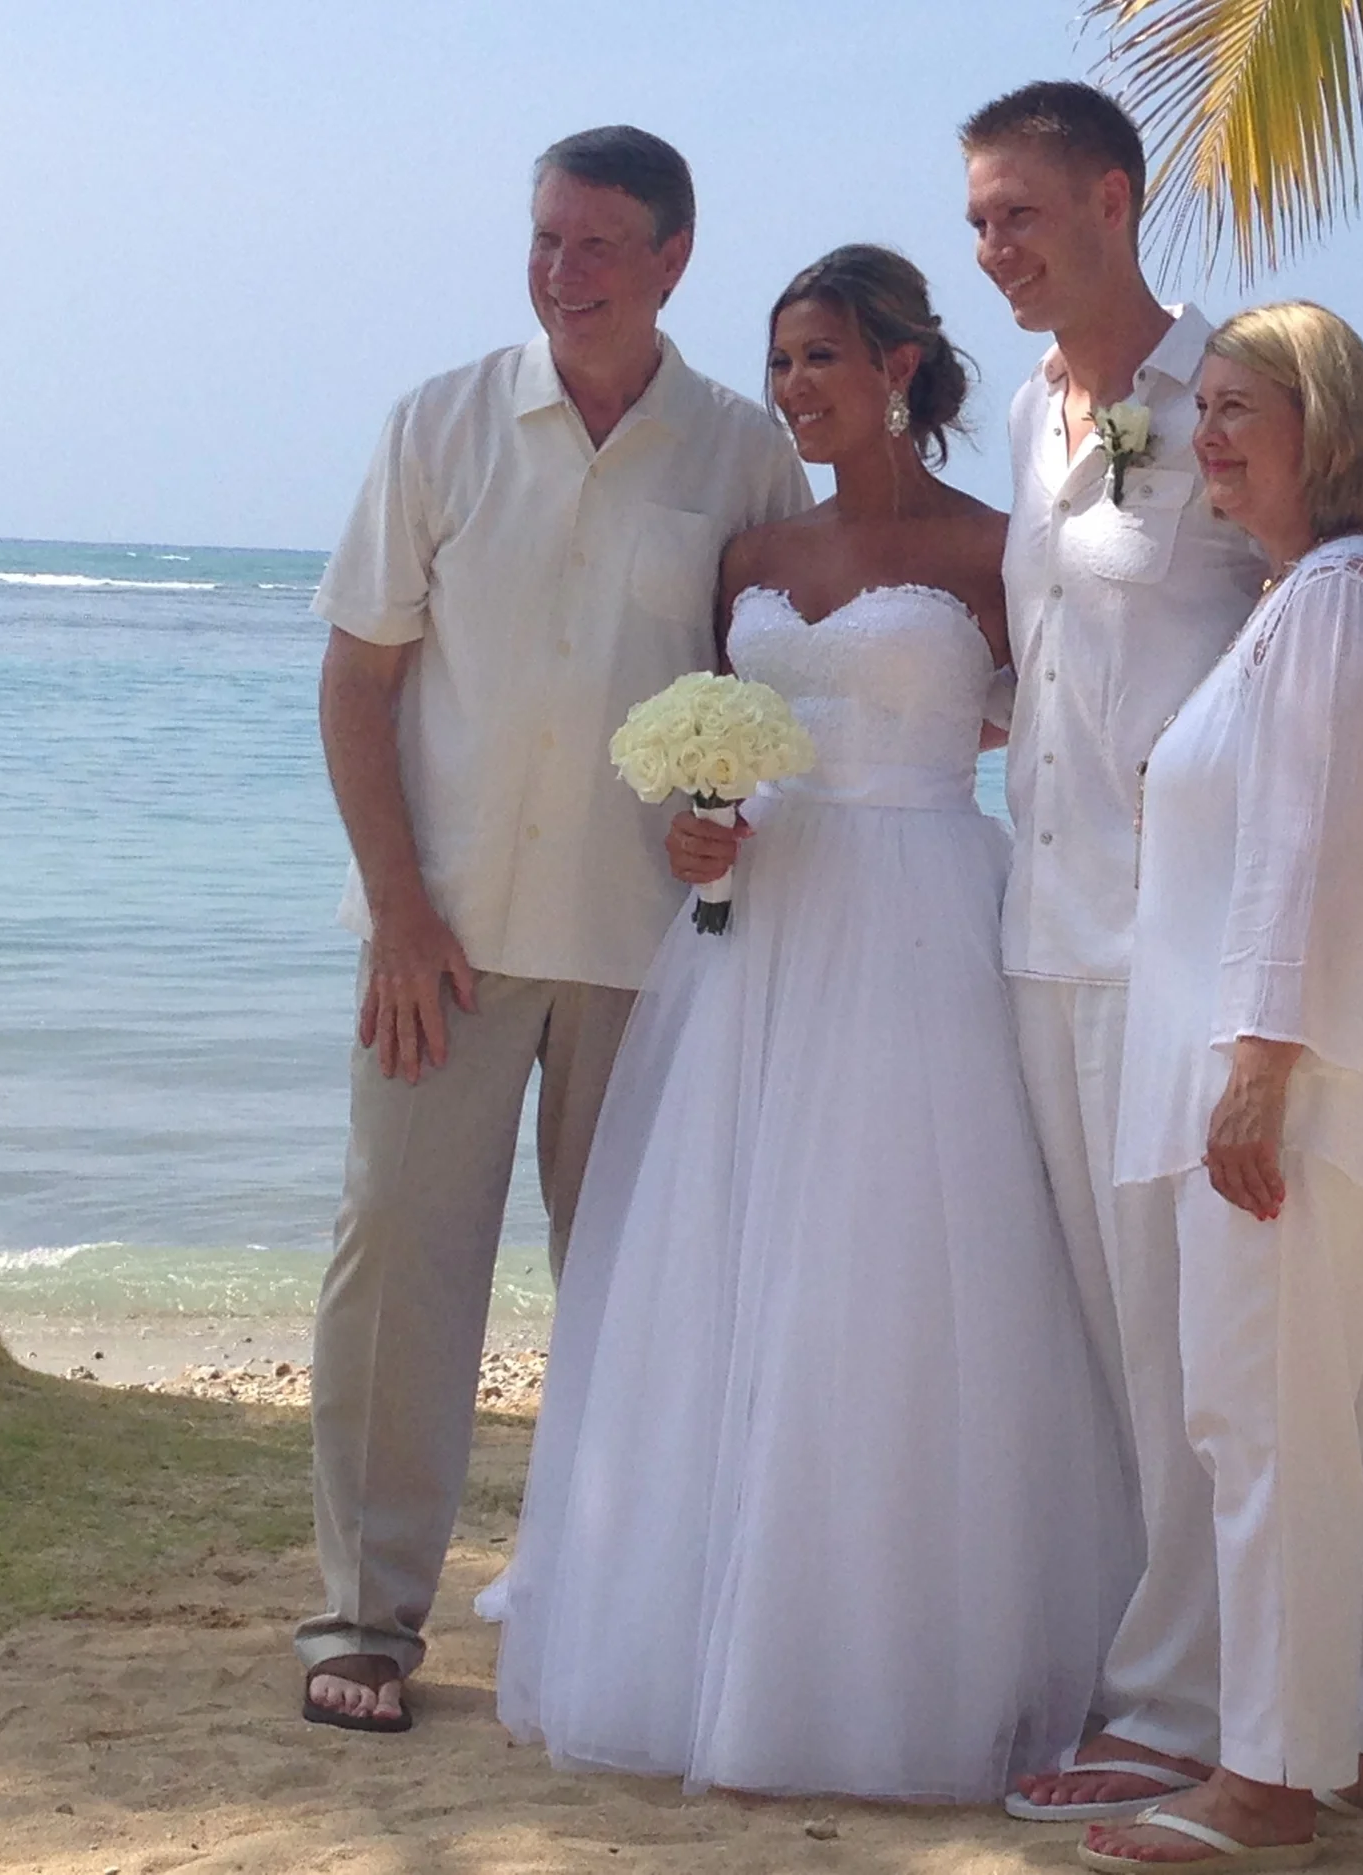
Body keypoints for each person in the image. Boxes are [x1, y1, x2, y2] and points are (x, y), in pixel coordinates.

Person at [478, 246, 1132, 1800]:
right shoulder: (749, 552)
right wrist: (697, 830)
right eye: (779, 363)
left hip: (919, 922)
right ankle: (704, 1627)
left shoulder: (997, 550)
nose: (794, 389)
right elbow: (722, 750)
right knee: (723, 1264)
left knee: (893, 1275)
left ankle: (905, 1649)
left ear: (900, 366)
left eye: (822, 358)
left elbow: (1072, 741)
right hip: (751, 939)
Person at [961, 84, 1363, 1822]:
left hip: (1178, 955)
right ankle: (1299, 1698)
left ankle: (1191, 1706)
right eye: (977, 220)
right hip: (1042, 922)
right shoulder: (1041, 422)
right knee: (1151, 1349)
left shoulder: (1230, 388)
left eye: (1022, 214)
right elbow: (1048, 653)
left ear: (1115, 201)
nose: (996, 250)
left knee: (1213, 1361)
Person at [297, 127, 810, 1733]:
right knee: (396, 1266)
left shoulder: (739, 455)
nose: (562, 271)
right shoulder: (439, 424)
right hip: (441, 940)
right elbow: (357, 680)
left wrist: (740, 830)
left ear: (673, 260)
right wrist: (394, 908)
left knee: (635, 1291)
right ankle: (369, 1617)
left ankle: (618, 1609)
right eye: (544, 239)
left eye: (598, 245)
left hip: (651, 949)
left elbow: (777, 692)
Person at [1084, 304, 1363, 1871]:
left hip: (1303, 1081)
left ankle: (1263, 1781)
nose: (1217, 436)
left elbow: (1302, 850)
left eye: (1247, 407)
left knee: (1260, 1418)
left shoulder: (1332, 595)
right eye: (1210, 412)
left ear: (1330, 419)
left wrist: (1255, 1066)